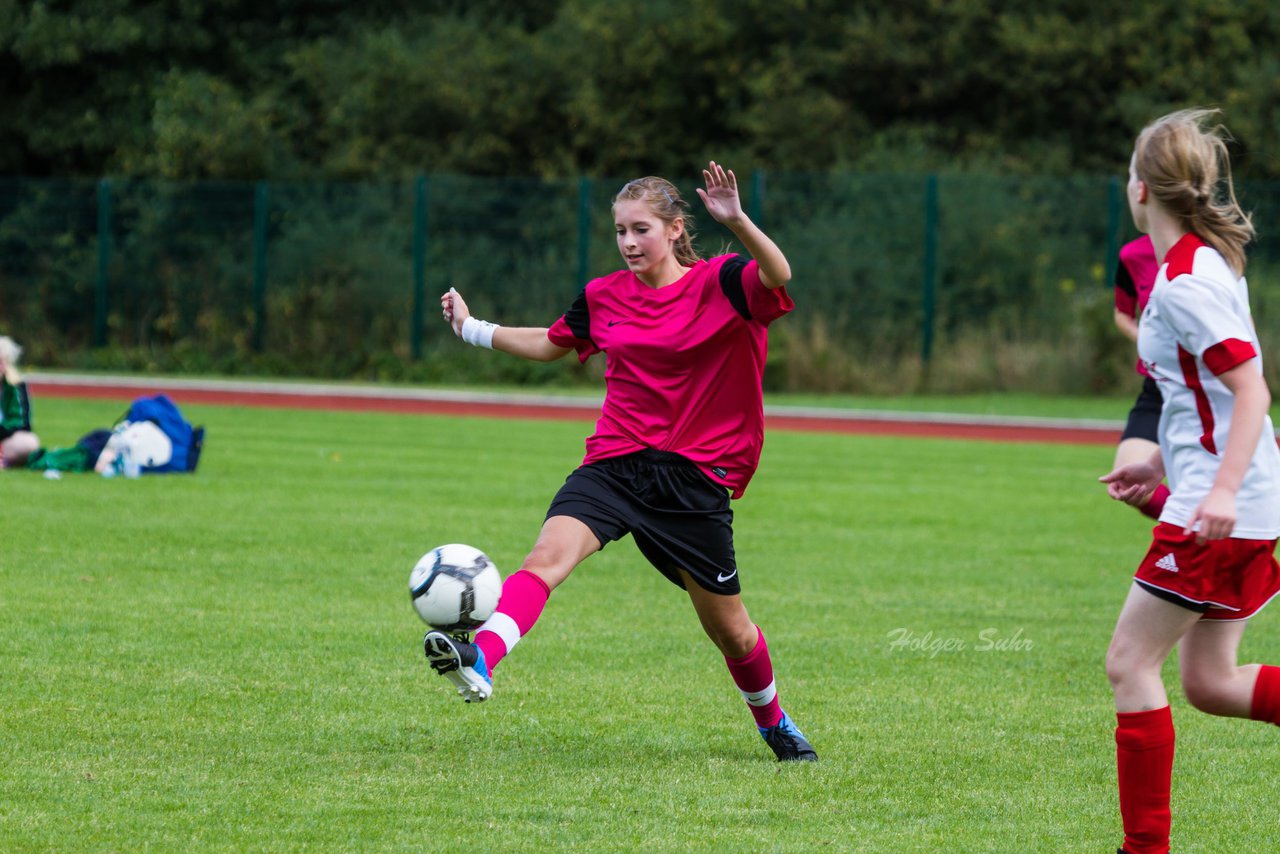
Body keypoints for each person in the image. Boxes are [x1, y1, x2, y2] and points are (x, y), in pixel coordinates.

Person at [423, 162, 816, 761]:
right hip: (616, 461)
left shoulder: (725, 282)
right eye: (619, 232)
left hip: (693, 480)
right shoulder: (603, 296)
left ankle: (773, 722)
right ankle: (480, 657)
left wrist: (738, 221)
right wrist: (473, 328)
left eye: (641, 230)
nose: (629, 243)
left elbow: (779, 274)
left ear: (675, 229)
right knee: (545, 558)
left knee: (730, 631)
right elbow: (551, 344)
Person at [1099, 109, 1280, 853]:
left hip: (1224, 507)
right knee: (1210, 683)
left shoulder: (1180, 282)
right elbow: (1201, 399)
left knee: (1128, 664)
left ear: (1140, 187)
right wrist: (1160, 461)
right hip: (1243, 500)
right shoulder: (1208, 260)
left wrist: (1217, 491)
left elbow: (1252, 392)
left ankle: (1145, 851)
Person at [1111, 235, 1170, 520]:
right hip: (1158, 386)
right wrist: (1145, 339)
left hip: (1208, 388)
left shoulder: (1210, 250)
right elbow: (1122, 313)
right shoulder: (1132, 254)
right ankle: (1201, 535)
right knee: (1129, 483)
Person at [0, 335, 40, 468]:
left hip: (6, 440)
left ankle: (4, 459)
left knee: (30, 442)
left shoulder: (16, 386)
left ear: (7, 363)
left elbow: (23, 424)